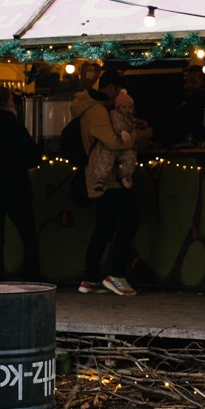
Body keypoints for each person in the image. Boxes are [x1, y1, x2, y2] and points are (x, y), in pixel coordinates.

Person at [71, 71, 144, 296]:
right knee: (130, 219)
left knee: (104, 227)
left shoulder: (94, 107)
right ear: (111, 88)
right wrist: (139, 135)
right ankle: (115, 274)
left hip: (103, 177)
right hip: (105, 178)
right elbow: (112, 142)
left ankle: (91, 278)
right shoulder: (96, 110)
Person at [0, 86, 43, 280]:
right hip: (16, 188)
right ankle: (32, 274)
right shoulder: (14, 126)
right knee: (27, 235)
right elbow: (33, 157)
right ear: (6, 102)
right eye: (12, 99)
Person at [89, 88, 138, 190]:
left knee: (129, 157)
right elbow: (117, 125)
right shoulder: (114, 114)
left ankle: (126, 175)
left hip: (123, 144)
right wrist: (124, 132)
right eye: (124, 107)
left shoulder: (130, 119)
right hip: (115, 143)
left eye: (130, 107)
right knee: (106, 157)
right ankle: (100, 179)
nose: (128, 110)